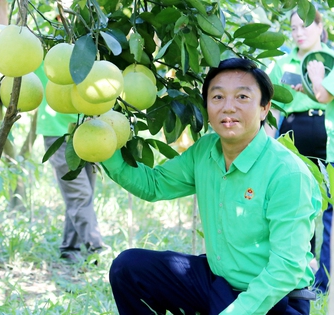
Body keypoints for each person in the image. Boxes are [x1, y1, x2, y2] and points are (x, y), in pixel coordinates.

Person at [103, 58, 321, 314]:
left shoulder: (287, 173)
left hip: (275, 299)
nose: (228, 107)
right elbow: (154, 185)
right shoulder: (205, 152)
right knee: (128, 268)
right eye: (217, 97)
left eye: (242, 97)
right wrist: (103, 146)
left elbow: (286, 267)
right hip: (219, 284)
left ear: (264, 109)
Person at [267, 9, 334, 294]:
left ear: (320, 26)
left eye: (304, 26)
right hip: (292, 136)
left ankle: (326, 279)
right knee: (297, 207)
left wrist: (315, 76)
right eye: (293, 28)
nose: (298, 33)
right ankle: (302, 275)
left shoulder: (330, 60)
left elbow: (324, 95)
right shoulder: (282, 63)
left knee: (329, 209)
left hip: (327, 136)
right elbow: (269, 110)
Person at [35, 66, 107, 263]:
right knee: (79, 194)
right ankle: (97, 248)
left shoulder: (89, 44)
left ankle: (69, 247)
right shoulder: (49, 48)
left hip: (89, 129)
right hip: (59, 132)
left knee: (84, 194)